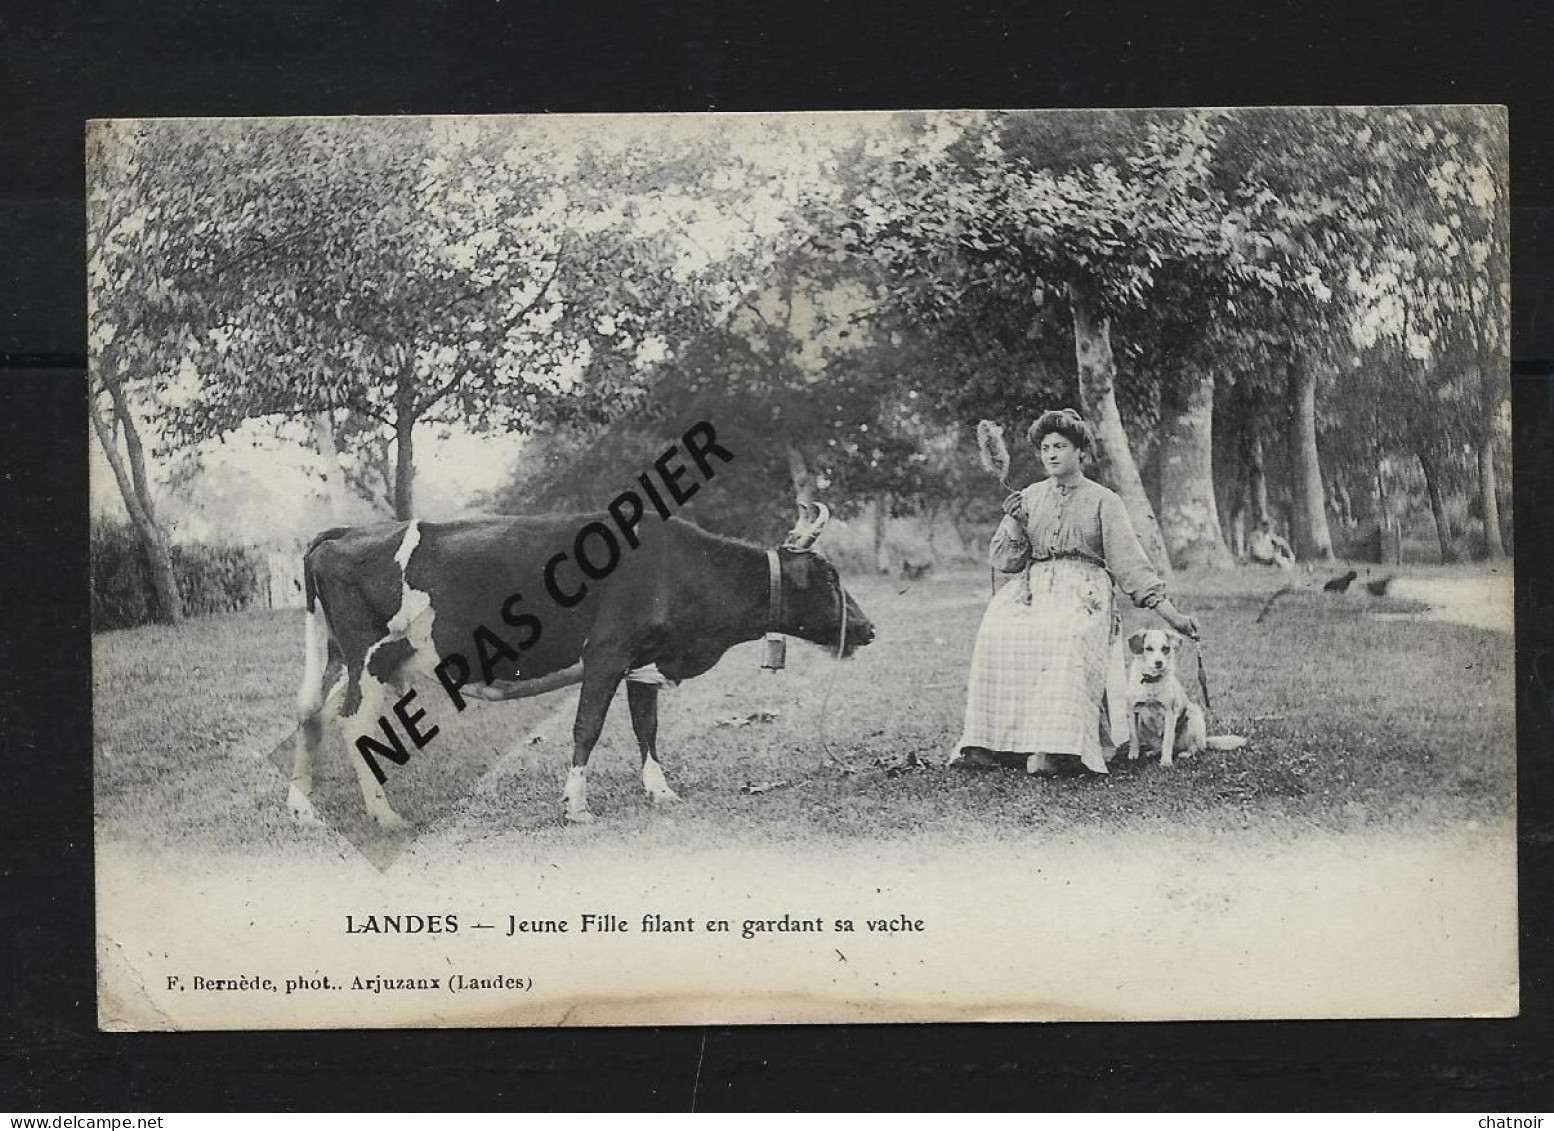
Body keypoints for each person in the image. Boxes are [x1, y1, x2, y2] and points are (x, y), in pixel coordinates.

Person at [950, 409, 1199, 776]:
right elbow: (1005, 561)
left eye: (1061, 446)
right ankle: (990, 745)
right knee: (996, 632)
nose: (1051, 454)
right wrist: (1018, 525)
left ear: (1080, 452)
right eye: (1046, 448)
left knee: (1063, 638)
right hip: (1034, 588)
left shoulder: (1104, 501)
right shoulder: (1029, 497)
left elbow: (1131, 565)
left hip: (1084, 593)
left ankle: (1057, 750)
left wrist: (1171, 615)